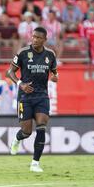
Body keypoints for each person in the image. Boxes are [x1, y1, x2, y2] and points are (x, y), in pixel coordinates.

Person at [6, 27, 58, 172]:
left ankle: (35, 163)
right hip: (25, 97)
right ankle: (17, 139)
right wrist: (20, 84)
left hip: (42, 96)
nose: (34, 39)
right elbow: (9, 72)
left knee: (41, 127)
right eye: (33, 37)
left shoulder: (50, 55)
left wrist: (55, 77)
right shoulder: (23, 53)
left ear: (44, 40)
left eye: (38, 38)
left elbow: (55, 73)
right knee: (26, 132)